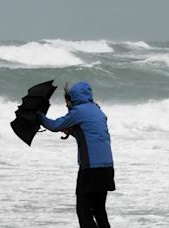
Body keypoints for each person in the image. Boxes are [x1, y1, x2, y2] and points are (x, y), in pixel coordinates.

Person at [38, 81, 115, 228]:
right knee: (99, 211)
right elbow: (91, 135)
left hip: (91, 168)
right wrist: (73, 131)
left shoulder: (78, 111)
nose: (67, 106)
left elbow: (54, 125)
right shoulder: (98, 111)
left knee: (83, 212)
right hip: (107, 168)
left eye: (67, 103)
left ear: (72, 99)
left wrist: (38, 115)